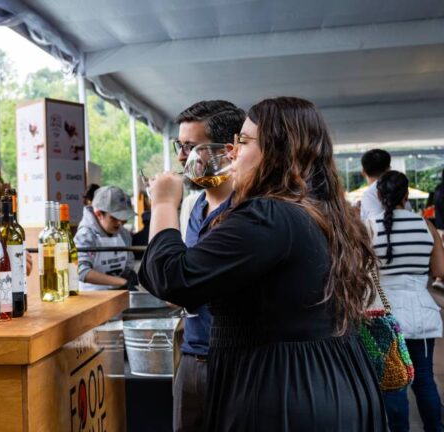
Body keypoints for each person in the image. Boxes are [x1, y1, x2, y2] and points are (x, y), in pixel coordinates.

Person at [139, 97, 386, 431]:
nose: (233, 153)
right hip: (333, 380)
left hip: (284, 392)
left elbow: (174, 278)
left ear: (275, 150)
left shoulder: (268, 215)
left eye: (243, 141)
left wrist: (163, 203)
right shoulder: (320, 210)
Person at [171, 100, 245, 431]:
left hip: (237, 361)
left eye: (190, 147)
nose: (181, 157)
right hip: (192, 355)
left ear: (227, 151)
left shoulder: (249, 210)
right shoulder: (192, 204)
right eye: (179, 146)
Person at [369, 170, 444, 432]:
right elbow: (440, 270)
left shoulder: (369, 226)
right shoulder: (426, 226)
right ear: (407, 195)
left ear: (379, 196)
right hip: (421, 312)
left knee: (393, 381)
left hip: (384, 314)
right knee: (424, 379)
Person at [74, 185, 136, 290]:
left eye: (123, 218)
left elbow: (128, 265)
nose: (120, 223)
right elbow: (81, 271)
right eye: (114, 218)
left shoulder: (123, 234)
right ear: (99, 214)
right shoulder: (85, 236)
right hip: (92, 296)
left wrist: (129, 275)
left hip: (118, 293)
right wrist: (122, 282)